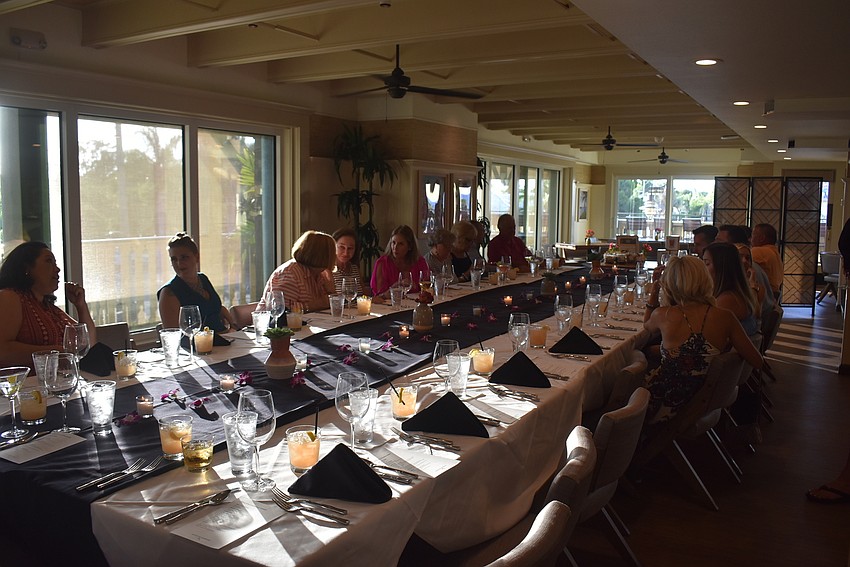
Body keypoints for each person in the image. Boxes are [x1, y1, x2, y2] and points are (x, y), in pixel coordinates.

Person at [642, 255, 762, 424]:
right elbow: (757, 361)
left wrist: (654, 292)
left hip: (664, 401)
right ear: (705, 280)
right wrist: (727, 356)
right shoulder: (725, 316)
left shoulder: (664, 315)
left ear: (668, 284)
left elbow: (646, 327)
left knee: (627, 372)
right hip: (706, 398)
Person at [0, 241, 98, 367]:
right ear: (26, 268)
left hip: (57, 384)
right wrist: (58, 352)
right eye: (49, 261)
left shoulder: (49, 307)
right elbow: (3, 350)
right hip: (25, 385)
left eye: (55, 263)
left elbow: (89, 344)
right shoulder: (10, 297)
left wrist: (81, 305)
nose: (57, 269)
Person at [157, 233, 236, 333]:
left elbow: (216, 307)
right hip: (197, 346)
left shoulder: (203, 279)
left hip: (225, 339)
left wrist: (234, 325)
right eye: (174, 259)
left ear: (197, 257)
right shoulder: (169, 292)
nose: (179, 263)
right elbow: (174, 334)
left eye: (184, 257)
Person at [257, 230, 336, 313]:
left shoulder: (322, 274)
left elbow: (333, 304)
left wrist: (331, 290)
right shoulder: (289, 273)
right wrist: (317, 304)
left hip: (309, 323)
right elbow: (282, 311)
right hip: (273, 325)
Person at [702, 242, 760, 339]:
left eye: (706, 263)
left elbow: (704, 331)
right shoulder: (735, 294)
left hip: (725, 353)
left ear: (722, 267)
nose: (702, 268)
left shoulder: (728, 300)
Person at [370, 225, 430, 298]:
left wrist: (415, 286)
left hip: (414, 305)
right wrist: (396, 286)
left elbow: (427, 289)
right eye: (393, 243)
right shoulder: (382, 263)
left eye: (400, 244)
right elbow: (379, 295)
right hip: (389, 306)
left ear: (410, 246)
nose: (395, 247)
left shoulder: (420, 262)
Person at [750, 223, 784, 296]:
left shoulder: (758, 251)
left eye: (753, 235)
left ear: (762, 238)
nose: (750, 238)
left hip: (763, 296)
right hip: (773, 296)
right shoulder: (774, 252)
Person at [331, 227, 366, 295]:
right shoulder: (328, 270)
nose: (346, 252)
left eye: (350, 248)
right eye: (342, 247)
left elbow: (363, 295)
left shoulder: (355, 269)